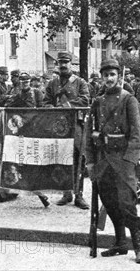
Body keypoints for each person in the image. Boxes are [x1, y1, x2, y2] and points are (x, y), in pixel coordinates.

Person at [86, 59, 140, 264]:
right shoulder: (97, 102)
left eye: (112, 74)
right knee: (110, 203)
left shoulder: (129, 100)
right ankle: (120, 242)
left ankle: (138, 246)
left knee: (127, 204)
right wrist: (91, 162)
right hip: (103, 161)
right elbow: (88, 135)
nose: (109, 78)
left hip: (123, 162)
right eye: (106, 75)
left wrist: (130, 161)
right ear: (101, 78)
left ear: (118, 76)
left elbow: (138, 134)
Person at [43, 52, 90, 209]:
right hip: (58, 127)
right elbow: (45, 103)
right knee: (61, 160)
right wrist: (53, 110)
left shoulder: (80, 82)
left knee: (78, 160)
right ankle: (66, 193)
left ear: (71, 64)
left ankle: (79, 195)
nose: (63, 65)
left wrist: (65, 107)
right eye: (60, 62)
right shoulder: (52, 84)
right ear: (57, 64)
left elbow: (85, 100)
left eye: (66, 62)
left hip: (75, 125)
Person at [4, 72, 49, 207]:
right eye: (22, 81)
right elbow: (9, 107)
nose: (24, 84)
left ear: (30, 82)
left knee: (36, 162)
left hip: (36, 131)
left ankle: (40, 191)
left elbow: (43, 110)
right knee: (25, 162)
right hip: (23, 133)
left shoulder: (37, 94)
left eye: (27, 81)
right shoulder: (18, 95)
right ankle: (37, 192)